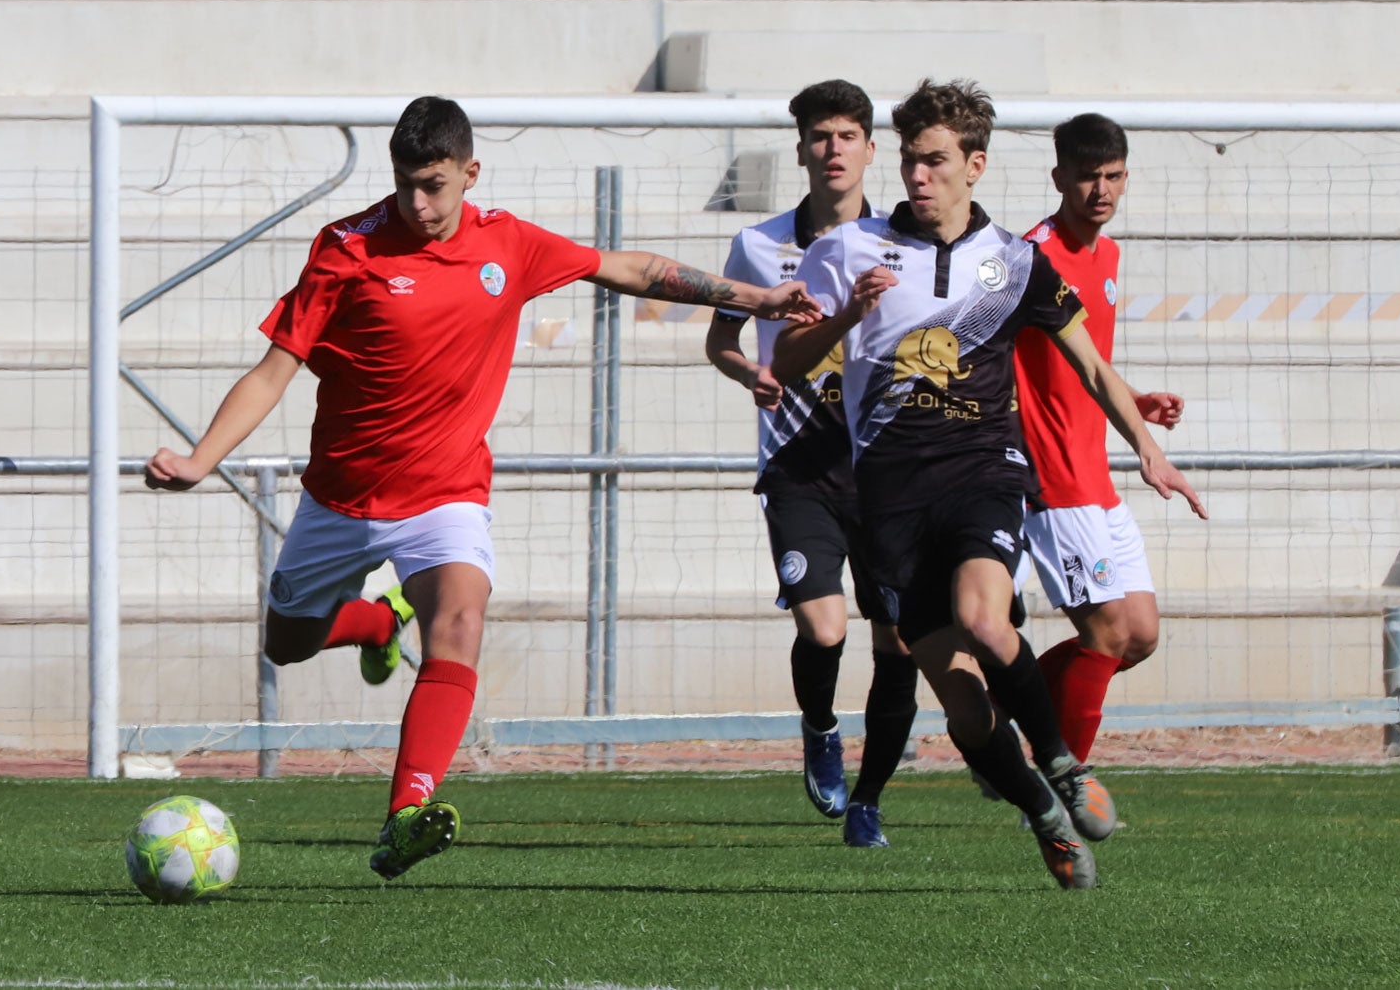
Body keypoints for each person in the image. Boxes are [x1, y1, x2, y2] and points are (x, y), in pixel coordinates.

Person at [145, 96, 818, 881]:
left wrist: (759, 298)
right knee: (285, 643)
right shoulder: (346, 251)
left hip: (446, 494)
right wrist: (200, 459)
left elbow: (629, 269)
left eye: (433, 184)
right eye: (405, 185)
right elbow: (273, 371)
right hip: (342, 498)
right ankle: (370, 625)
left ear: (470, 172)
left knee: (459, 624)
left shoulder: (508, 244)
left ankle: (405, 813)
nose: (418, 203)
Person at [771, 80, 1206, 890]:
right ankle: (1042, 812)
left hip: (983, 473)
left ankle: (1066, 769)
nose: (919, 177)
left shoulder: (1014, 261)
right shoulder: (850, 252)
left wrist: (1146, 447)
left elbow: (1090, 364)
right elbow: (786, 364)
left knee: (985, 614)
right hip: (890, 498)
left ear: (975, 164)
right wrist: (842, 318)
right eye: (911, 161)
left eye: (936, 161)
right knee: (965, 707)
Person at [706, 79, 920, 849]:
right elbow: (720, 340)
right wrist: (747, 373)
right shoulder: (759, 245)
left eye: (848, 135)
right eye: (820, 136)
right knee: (825, 629)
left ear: (870, 149)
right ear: (801, 149)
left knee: (897, 640)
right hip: (798, 465)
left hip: (886, 469)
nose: (834, 149)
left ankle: (869, 799)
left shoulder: (902, 241)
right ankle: (821, 725)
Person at [1017, 114, 1182, 778]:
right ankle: (1065, 786)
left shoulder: (1107, 256)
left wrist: (1132, 404)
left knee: (1138, 635)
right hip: (1053, 478)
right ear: (1059, 178)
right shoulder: (1029, 259)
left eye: (1113, 176)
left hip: (1095, 473)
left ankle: (1009, 704)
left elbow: (1086, 367)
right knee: (1108, 632)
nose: (1101, 190)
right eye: (1087, 177)